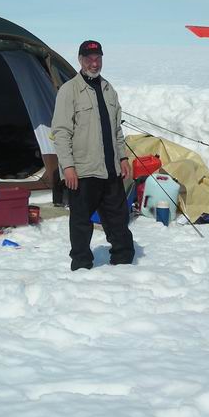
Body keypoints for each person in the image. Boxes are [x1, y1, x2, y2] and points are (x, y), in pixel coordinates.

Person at [51, 40, 135, 271]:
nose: (94, 63)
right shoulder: (69, 91)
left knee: (118, 220)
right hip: (83, 170)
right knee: (81, 222)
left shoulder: (109, 90)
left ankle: (123, 262)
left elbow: (116, 129)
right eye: (88, 58)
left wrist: (123, 158)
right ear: (80, 60)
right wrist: (67, 167)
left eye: (97, 58)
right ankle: (81, 265)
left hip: (110, 170)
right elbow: (60, 131)